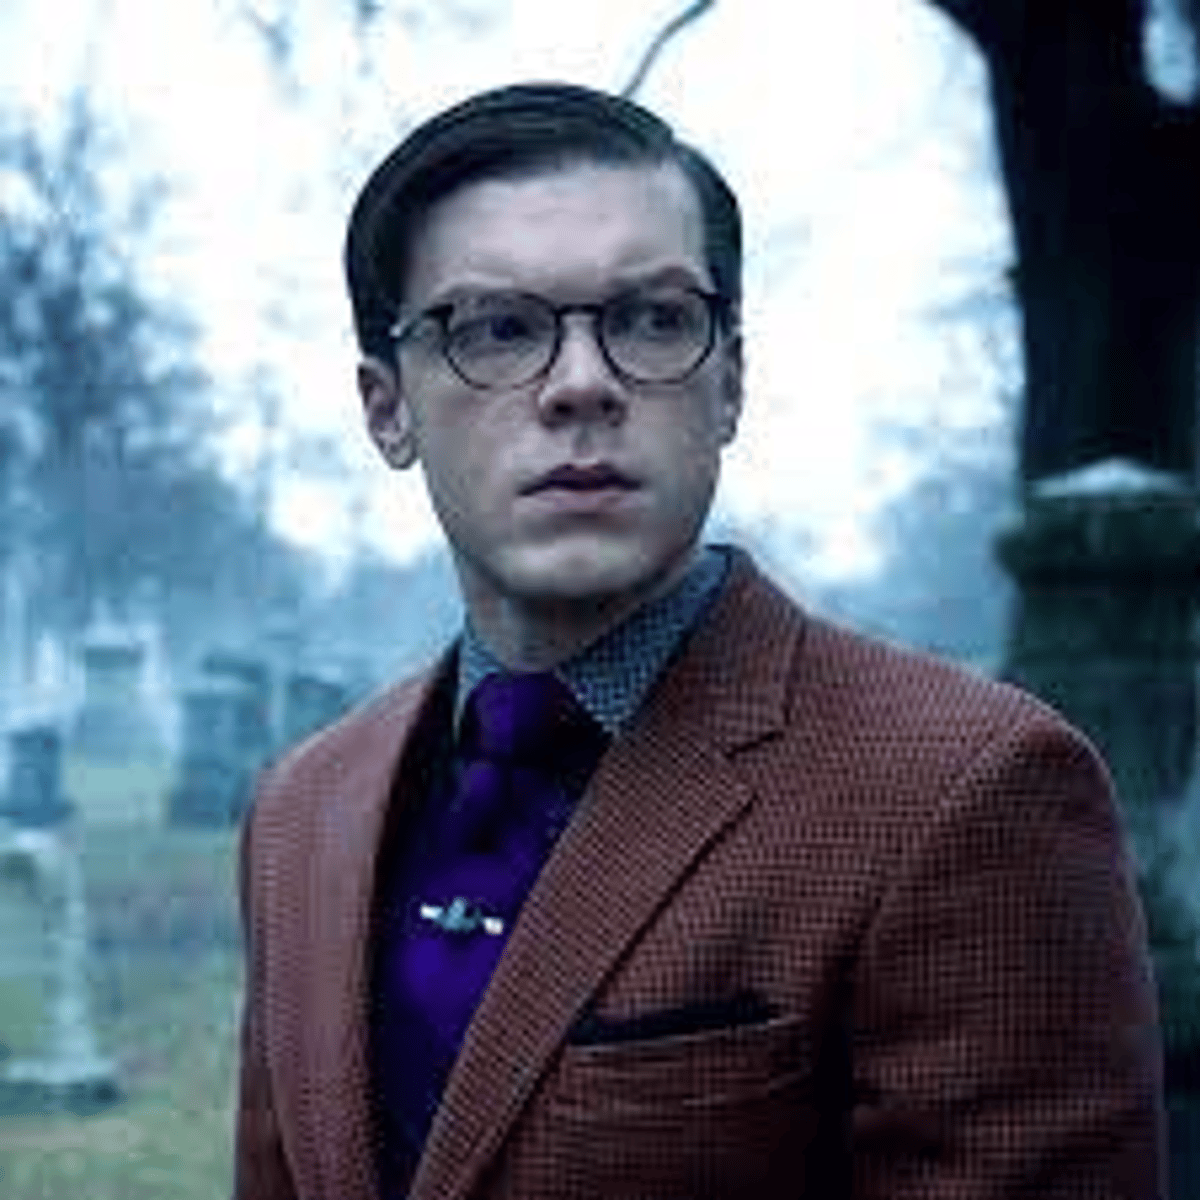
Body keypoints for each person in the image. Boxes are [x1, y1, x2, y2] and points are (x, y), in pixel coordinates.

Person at [232, 82, 1166, 1199]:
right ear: (387, 408)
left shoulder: (967, 790)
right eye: (497, 329)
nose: (583, 384)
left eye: (652, 319)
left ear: (729, 383)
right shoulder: (303, 810)